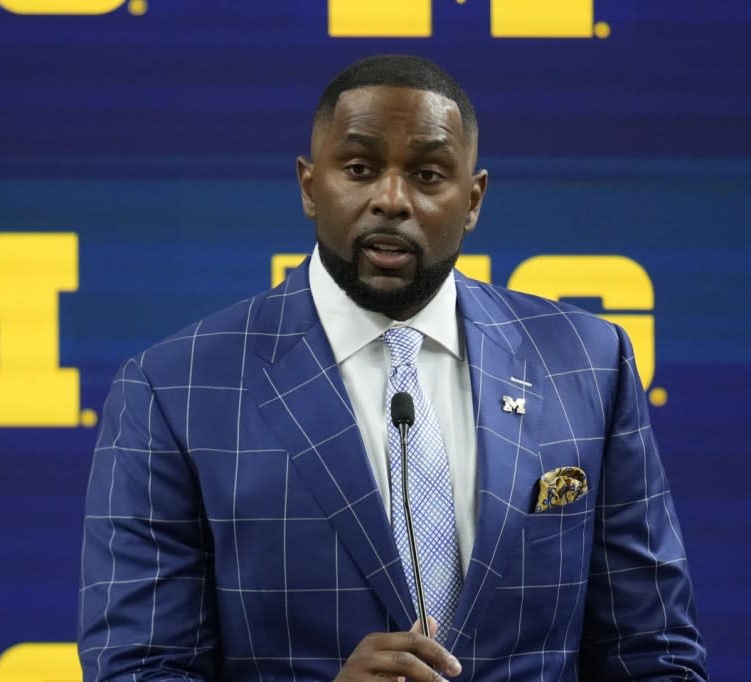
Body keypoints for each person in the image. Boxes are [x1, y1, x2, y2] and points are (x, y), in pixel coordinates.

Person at [78, 54, 707, 680]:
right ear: (307, 185)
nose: (391, 199)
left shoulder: (588, 363)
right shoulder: (174, 390)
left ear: (473, 199)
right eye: (359, 168)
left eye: (429, 174)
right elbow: (138, 668)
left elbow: (653, 652)